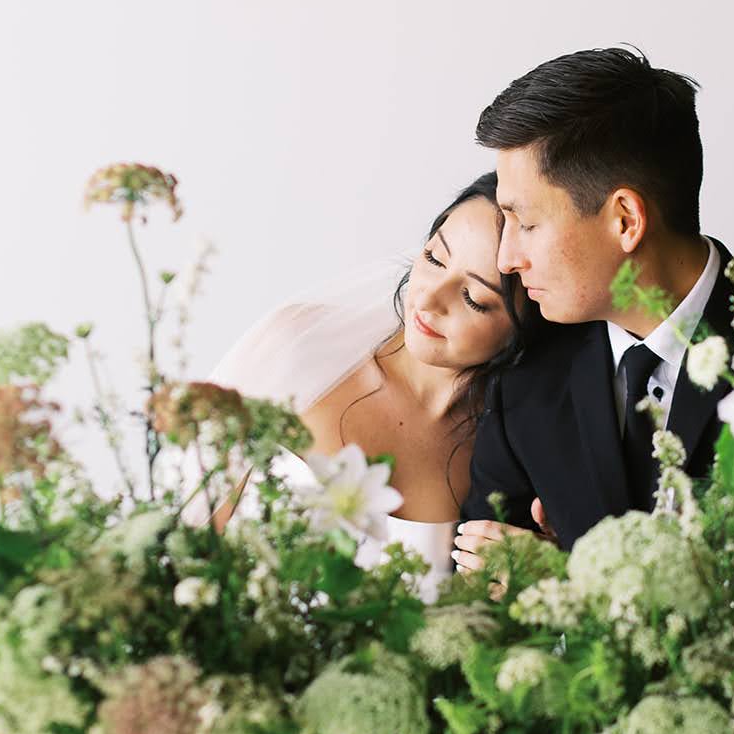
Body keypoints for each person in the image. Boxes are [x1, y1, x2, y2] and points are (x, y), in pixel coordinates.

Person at [454, 47, 734, 567]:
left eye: (526, 223)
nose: (507, 259)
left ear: (626, 219)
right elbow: (474, 601)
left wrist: (561, 583)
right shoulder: (527, 382)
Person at [200, 173, 541, 593]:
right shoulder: (298, 346)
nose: (430, 299)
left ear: (525, 324)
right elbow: (185, 534)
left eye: (474, 298)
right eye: (435, 258)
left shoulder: (505, 457)